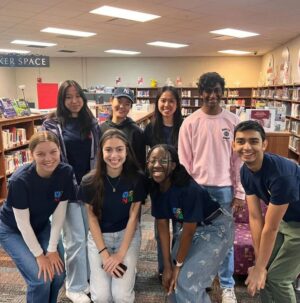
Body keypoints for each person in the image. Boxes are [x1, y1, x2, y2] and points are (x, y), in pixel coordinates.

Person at [178, 72, 245, 303]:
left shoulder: (234, 122)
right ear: (200, 93)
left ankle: (227, 286)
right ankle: (201, 279)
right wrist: (186, 192)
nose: (212, 95)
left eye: (217, 90)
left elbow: (238, 161)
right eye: (208, 91)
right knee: (196, 238)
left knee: (225, 241)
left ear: (222, 93)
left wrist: (239, 193)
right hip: (197, 190)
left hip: (224, 189)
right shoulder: (190, 122)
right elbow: (184, 162)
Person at [147, 144, 234, 303]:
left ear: (173, 165)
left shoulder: (188, 189)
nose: (156, 165)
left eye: (163, 161)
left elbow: (188, 231)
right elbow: (162, 226)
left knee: (186, 281)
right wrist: (167, 266)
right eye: (152, 160)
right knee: (171, 279)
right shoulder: (155, 187)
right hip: (191, 229)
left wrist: (178, 266)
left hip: (216, 229)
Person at [0, 131, 77, 303]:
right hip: (12, 230)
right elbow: (23, 224)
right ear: (32, 155)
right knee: (40, 279)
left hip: (41, 225)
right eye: (40, 154)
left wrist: (51, 249)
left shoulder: (65, 172)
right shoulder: (20, 180)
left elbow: (59, 214)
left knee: (58, 274)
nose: (48, 158)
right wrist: (39, 255)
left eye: (53, 152)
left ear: (59, 151)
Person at [43, 80, 101, 303]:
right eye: (68, 97)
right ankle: (74, 286)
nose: (74, 101)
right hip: (66, 190)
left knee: (90, 237)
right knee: (74, 239)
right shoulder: (52, 125)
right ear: (62, 100)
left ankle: (88, 279)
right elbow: (50, 158)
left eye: (78, 96)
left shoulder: (92, 123)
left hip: (90, 189)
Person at [233, 120, 300, 303]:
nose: (247, 147)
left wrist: (260, 267)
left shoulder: (281, 175)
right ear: (234, 145)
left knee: (278, 278)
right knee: (263, 269)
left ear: (264, 144)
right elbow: (255, 217)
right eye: (241, 141)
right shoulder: (245, 171)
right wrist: (258, 261)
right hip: (286, 220)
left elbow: (270, 227)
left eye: (253, 141)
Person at [79, 129, 147, 303]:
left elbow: (134, 216)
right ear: (101, 152)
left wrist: (120, 254)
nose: (114, 155)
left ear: (126, 151)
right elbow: (92, 218)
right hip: (99, 238)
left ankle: (129, 271)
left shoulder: (137, 179)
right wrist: (105, 255)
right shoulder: (89, 182)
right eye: (108, 150)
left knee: (121, 296)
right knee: (102, 297)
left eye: (119, 149)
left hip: (127, 236)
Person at [144, 86, 183, 279]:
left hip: (180, 183)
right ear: (157, 103)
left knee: (179, 228)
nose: (167, 105)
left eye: (171, 101)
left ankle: (177, 267)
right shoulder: (151, 127)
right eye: (163, 101)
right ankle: (162, 269)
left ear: (177, 104)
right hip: (158, 184)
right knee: (160, 229)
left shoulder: (185, 125)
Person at [100, 87, 146, 169]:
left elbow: (140, 162)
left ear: (131, 107)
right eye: (119, 101)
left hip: (130, 178)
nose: (122, 106)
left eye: (127, 104)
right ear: (111, 100)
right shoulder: (101, 129)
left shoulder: (136, 132)